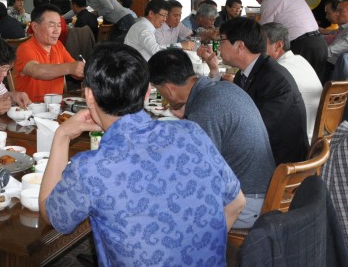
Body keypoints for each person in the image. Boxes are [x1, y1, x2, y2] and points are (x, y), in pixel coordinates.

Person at [40, 44, 245, 265]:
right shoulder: (192, 132)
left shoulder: (90, 169)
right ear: (147, 91)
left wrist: (62, 135)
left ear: (89, 95)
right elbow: (236, 203)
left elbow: (52, 214)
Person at [148, 49, 275, 229]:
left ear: (168, 88)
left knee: (161, 211)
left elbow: (196, 175)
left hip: (248, 203)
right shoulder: (223, 88)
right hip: (261, 190)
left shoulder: (205, 109)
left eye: (160, 91)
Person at [201, 17, 309, 165]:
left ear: (240, 46)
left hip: (278, 162)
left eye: (222, 41)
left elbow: (256, 130)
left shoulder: (275, 80)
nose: (218, 48)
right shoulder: (246, 72)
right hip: (258, 149)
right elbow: (231, 107)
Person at [243, 0, 328, 82]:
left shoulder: (270, 1)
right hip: (319, 43)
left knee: (297, 83)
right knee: (315, 84)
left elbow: (263, 32)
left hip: (303, 46)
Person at [264, 22, 323, 142]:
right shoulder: (300, 60)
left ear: (278, 45)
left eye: (260, 44)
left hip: (298, 140)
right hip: (316, 136)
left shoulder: (280, 70)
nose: (255, 48)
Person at [14, 4, 84, 102]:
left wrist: (83, 70)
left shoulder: (58, 46)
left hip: (56, 108)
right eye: (51, 25)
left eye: (59, 25)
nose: (57, 31)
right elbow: (36, 71)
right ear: (35, 27)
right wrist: (70, 68)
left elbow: (75, 72)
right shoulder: (25, 49)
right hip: (30, 108)